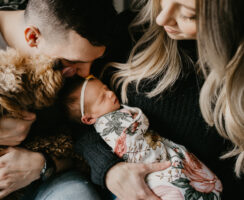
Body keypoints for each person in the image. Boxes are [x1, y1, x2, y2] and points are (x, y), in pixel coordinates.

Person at [71, 0, 244, 199]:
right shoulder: (131, 32)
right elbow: (75, 110)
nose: (161, 18)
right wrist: (108, 169)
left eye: (188, 14)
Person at [0, 0, 117, 199]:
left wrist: (44, 164)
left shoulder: (78, 49)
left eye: (92, 62)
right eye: (72, 61)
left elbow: (84, 141)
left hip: (49, 176)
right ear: (33, 37)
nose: (86, 74)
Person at [59, 75, 223, 200]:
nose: (110, 94)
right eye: (102, 98)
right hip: (151, 168)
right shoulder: (111, 124)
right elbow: (139, 147)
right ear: (89, 119)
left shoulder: (114, 113)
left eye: (106, 88)